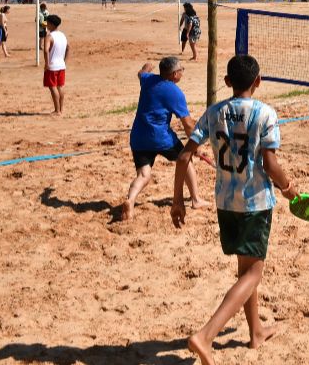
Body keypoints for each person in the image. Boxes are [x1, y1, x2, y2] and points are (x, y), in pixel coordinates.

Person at [171, 55, 299, 364]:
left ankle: (255, 332)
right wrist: (288, 187)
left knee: (245, 270)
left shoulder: (214, 113)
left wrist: (178, 201)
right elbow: (270, 164)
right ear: (258, 81)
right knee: (254, 273)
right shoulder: (265, 114)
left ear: (227, 82)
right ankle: (205, 335)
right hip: (255, 202)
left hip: (226, 203)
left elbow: (183, 158)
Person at [123, 57, 208, 220]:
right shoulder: (174, 92)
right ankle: (196, 199)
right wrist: (195, 145)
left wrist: (146, 67)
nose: (182, 72)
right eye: (181, 70)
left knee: (144, 174)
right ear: (175, 74)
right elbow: (188, 124)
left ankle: (130, 200)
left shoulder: (148, 80)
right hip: (161, 137)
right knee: (186, 158)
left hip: (138, 136)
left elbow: (141, 73)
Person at [42, 14, 68, 114]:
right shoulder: (62, 35)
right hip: (61, 65)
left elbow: (45, 50)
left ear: (51, 24)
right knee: (60, 86)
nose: (47, 25)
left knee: (52, 87)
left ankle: (57, 110)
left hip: (52, 66)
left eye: (47, 23)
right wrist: (64, 61)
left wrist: (47, 63)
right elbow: (68, 48)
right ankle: (61, 109)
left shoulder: (49, 36)